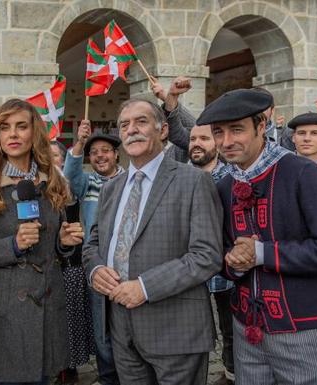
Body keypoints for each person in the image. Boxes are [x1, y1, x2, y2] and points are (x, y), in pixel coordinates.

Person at [83, 98, 223, 385]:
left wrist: (145, 287)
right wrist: (96, 270)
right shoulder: (112, 188)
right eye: (125, 125)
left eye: (141, 121)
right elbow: (93, 243)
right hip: (122, 333)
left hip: (176, 331)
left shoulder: (193, 181)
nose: (131, 130)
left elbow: (206, 255)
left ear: (162, 131)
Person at [197, 89, 317, 385]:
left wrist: (263, 253)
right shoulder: (225, 185)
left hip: (301, 327)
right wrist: (234, 262)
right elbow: (223, 254)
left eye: (236, 129)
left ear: (261, 126)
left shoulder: (303, 173)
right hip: (245, 327)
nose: (226, 141)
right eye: (218, 132)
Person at [0, 99, 84, 385]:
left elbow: (55, 248)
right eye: (5, 128)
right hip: (7, 311)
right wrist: (14, 245)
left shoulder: (55, 182)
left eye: (22, 126)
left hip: (48, 306)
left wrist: (64, 242)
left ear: (35, 133)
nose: (13, 134)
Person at [153, 76, 235, 385]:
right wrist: (170, 99)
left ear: (219, 144)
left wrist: (173, 99)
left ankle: (231, 373)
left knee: (231, 328)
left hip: (226, 271)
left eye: (205, 139)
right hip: (191, 269)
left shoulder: (232, 176)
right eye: (193, 140)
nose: (197, 144)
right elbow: (178, 131)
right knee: (193, 327)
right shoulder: (182, 176)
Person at [62, 123, 123, 385]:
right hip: (96, 266)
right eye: (94, 152)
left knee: (125, 326)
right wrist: (79, 143)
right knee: (101, 328)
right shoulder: (87, 183)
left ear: (116, 154)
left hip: (125, 266)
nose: (100, 156)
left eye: (105, 151)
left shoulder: (131, 180)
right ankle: (108, 376)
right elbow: (70, 176)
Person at [49, 141, 93, 385]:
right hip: (48, 264)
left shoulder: (69, 186)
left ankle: (70, 368)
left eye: (56, 155)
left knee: (71, 318)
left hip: (71, 264)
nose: (51, 159)